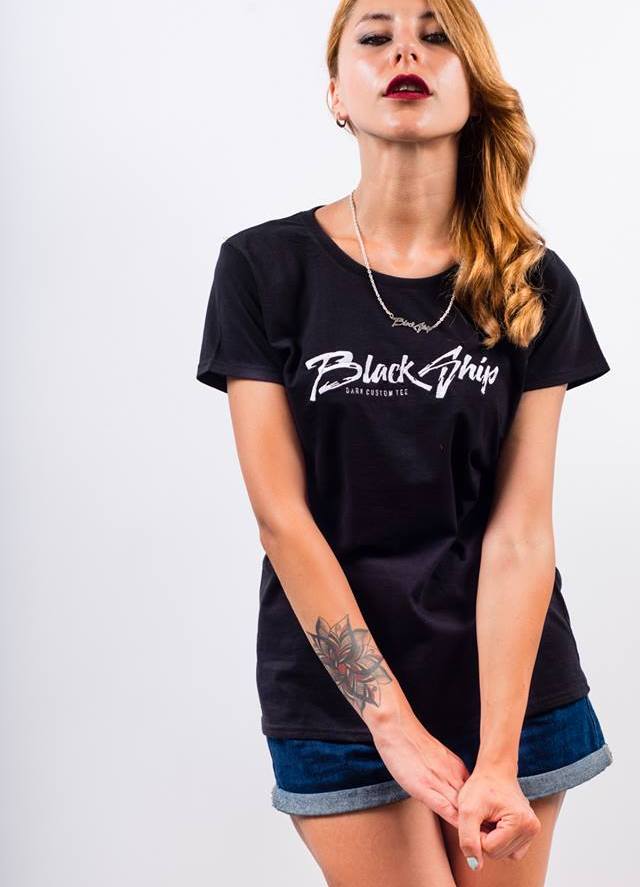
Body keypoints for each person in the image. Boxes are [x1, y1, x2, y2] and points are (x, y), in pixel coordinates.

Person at [196, 0, 614, 883]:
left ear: (474, 83)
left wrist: (497, 754)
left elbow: (520, 531)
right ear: (336, 94)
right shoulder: (263, 269)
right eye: (376, 36)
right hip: (339, 697)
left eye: (435, 37)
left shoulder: (534, 282)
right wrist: (391, 722)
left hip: (513, 693)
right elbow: (283, 518)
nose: (405, 54)